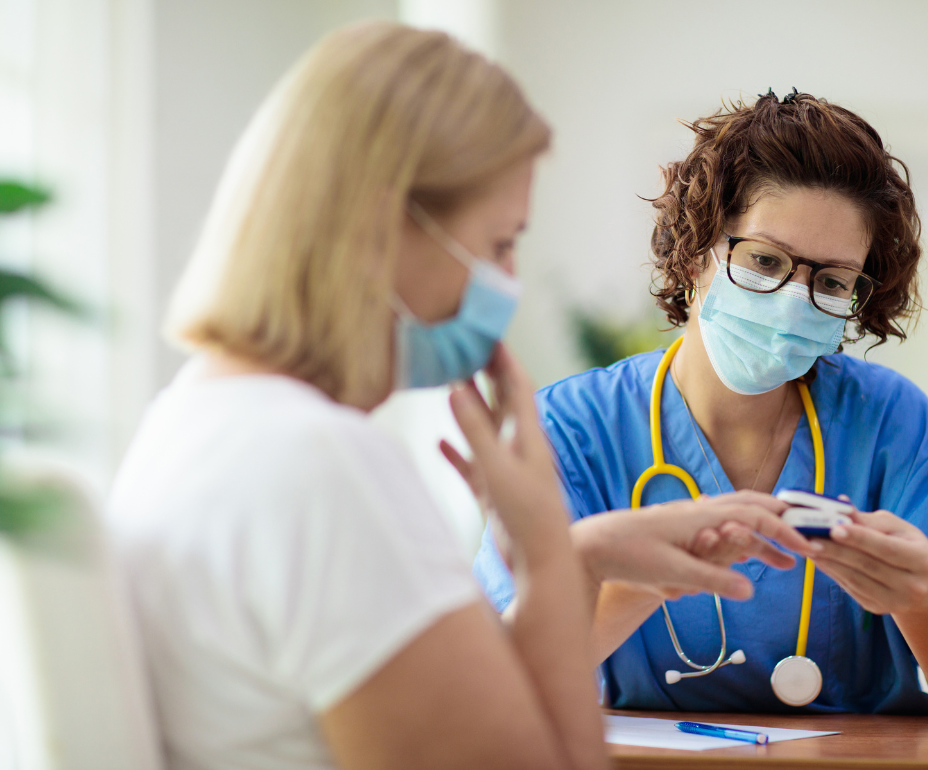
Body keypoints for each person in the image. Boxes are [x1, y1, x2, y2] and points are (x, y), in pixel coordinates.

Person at [107, 25, 819, 770]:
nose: (505, 283)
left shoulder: (194, 418)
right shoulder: (323, 467)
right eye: (501, 242)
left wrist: (583, 556)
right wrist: (545, 555)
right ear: (385, 228)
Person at [474, 90, 928, 726]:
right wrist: (645, 578)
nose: (795, 299)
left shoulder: (890, 424)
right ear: (695, 250)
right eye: (764, 260)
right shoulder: (570, 429)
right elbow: (506, 682)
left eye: (832, 281)